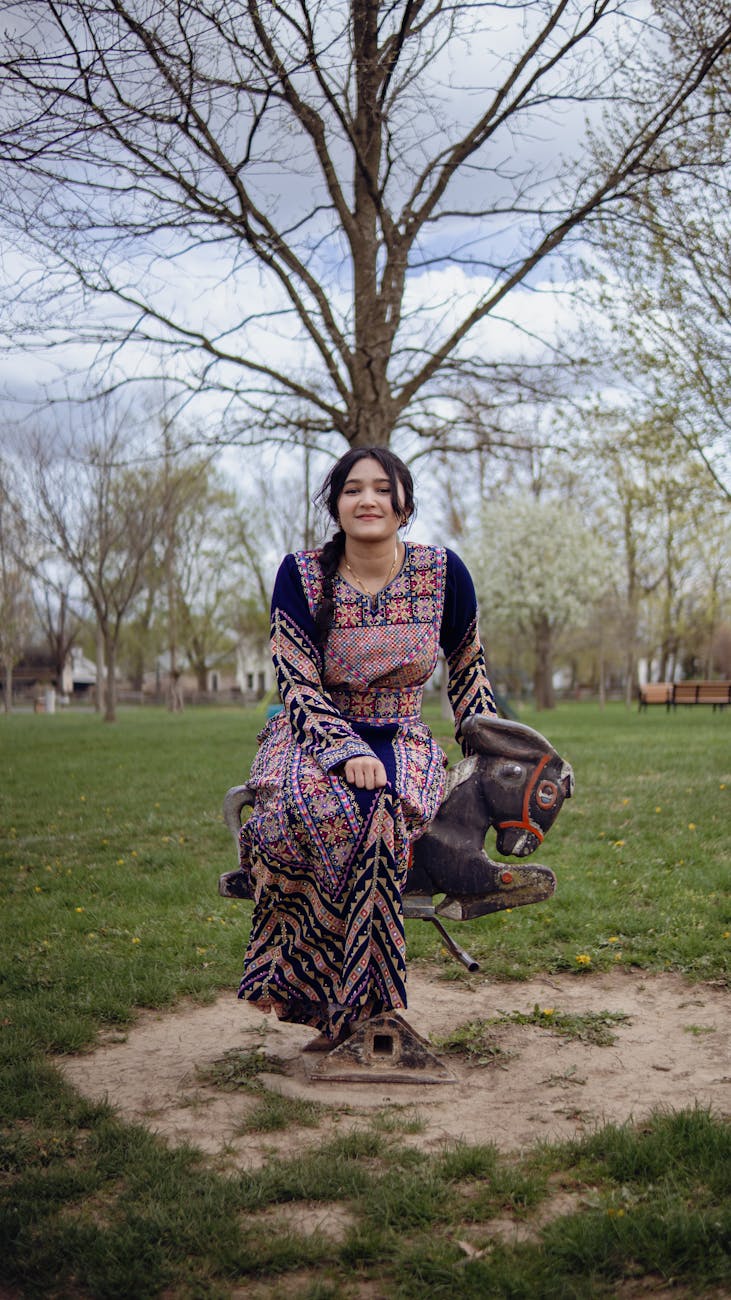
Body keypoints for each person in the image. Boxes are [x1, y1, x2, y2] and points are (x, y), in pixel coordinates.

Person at [237, 446, 497, 1051]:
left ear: (404, 505)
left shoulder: (442, 572)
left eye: (383, 489)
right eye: (353, 490)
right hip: (311, 733)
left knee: (381, 812)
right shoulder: (301, 575)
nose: (368, 500)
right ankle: (326, 998)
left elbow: (467, 669)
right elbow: (295, 681)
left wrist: (489, 744)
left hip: (402, 732)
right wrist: (342, 749)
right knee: (321, 813)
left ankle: (365, 1011)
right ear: (336, 505)